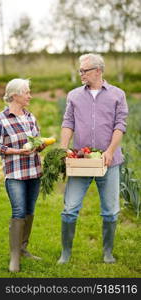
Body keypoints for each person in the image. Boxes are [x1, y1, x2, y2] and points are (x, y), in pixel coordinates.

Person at [58, 53, 128, 264]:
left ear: (98, 71)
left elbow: (120, 125)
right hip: (81, 160)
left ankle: (107, 252)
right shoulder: (74, 95)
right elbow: (68, 122)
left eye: (84, 71)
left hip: (109, 162)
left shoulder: (117, 95)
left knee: (110, 211)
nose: (81, 74)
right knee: (69, 208)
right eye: (80, 70)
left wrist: (109, 151)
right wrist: (63, 149)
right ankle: (66, 253)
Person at [0, 78, 45, 272]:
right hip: (15, 173)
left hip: (34, 171)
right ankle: (14, 258)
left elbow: (36, 140)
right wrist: (16, 151)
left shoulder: (31, 117)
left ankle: (22, 249)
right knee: (18, 211)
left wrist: (41, 144)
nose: (30, 95)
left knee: (29, 210)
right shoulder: (1, 119)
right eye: (27, 92)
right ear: (15, 95)